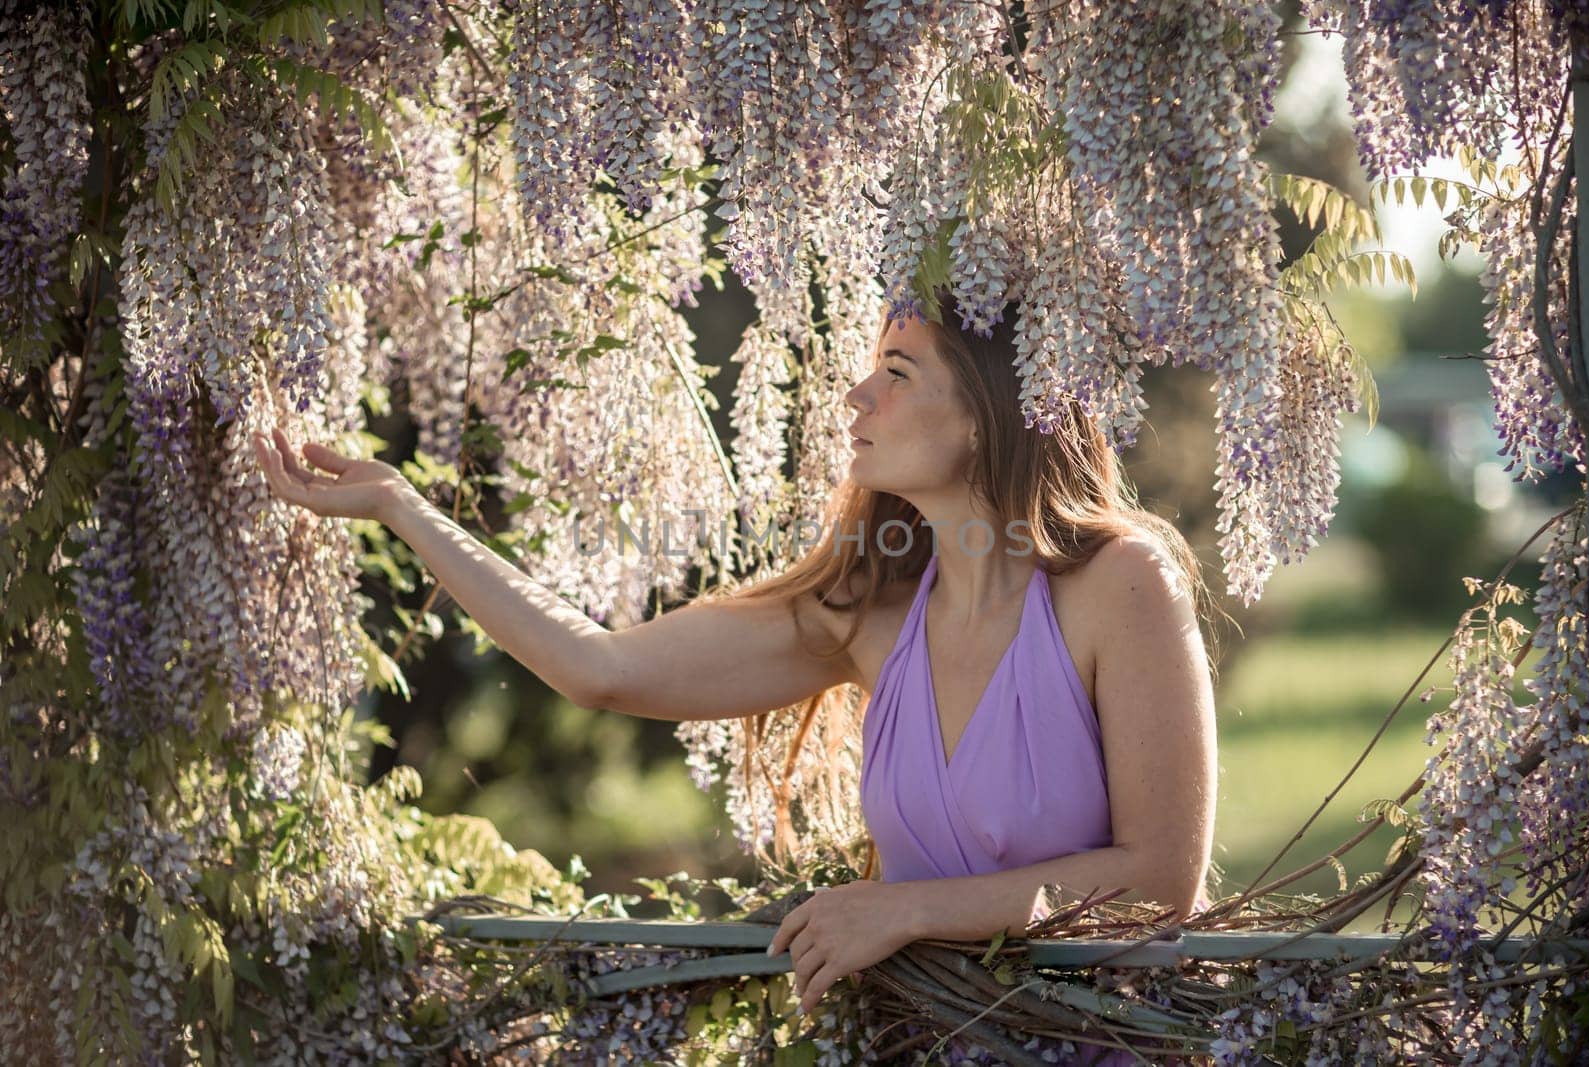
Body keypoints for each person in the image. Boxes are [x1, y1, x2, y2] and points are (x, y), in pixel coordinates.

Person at [252, 291, 1218, 1037]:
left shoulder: (1118, 583)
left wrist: (905, 909)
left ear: (986, 412)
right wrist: (403, 509)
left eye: (898, 371)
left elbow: (1163, 884)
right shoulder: (869, 619)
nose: (856, 395)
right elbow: (600, 667)